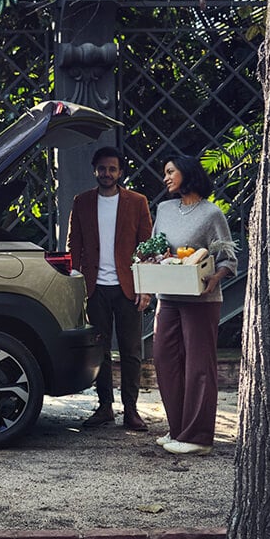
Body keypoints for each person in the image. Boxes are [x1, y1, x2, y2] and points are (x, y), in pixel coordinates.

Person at [145, 153, 237, 456]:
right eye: (165, 172)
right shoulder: (164, 208)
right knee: (165, 361)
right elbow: (156, 248)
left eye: (171, 171)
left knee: (198, 366)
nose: (166, 178)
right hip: (168, 297)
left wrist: (216, 277)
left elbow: (228, 259)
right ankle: (179, 428)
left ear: (187, 173)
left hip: (201, 299)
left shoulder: (212, 214)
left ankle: (198, 438)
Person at [68, 146, 154, 430]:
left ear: (120, 172)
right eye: (102, 168)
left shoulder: (137, 202)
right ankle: (105, 406)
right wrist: (77, 285)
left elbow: (147, 248)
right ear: (95, 169)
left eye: (112, 169)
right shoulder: (81, 202)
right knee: (100, 350)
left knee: (131, 351)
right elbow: (74, 246)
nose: (107, 174)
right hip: (95, 289)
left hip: (128, 288)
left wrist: (146, 287)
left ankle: (131, 410)